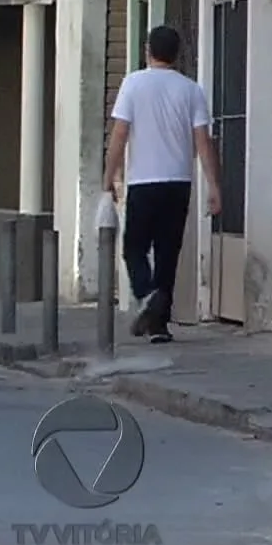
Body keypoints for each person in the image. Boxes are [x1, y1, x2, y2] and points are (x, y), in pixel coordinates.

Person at [103, 24, 221, 344]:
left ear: (147, 50)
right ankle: (159, 325)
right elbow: (203, 142)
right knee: (168, 253)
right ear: (178, 54)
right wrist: (214, 187)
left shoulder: (133, 83)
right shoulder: (191, 90)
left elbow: (119, 133)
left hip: (144, 181)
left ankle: (145, 294)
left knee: (134, 247)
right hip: (178, 183)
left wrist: (109, 176)